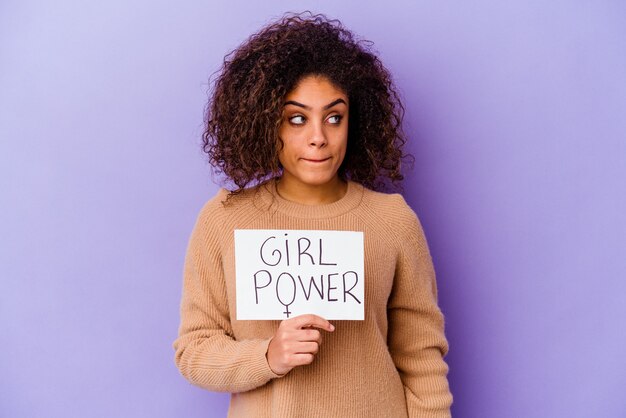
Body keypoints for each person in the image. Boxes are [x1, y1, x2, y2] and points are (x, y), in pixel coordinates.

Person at [172, 11, 453, 418]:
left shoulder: (392, 221)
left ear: (354, 123)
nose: (318, 137)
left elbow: (422, 359)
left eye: (334, 117)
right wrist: (268, 355)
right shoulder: (224, 220)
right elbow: (194, 351)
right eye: (297, 118)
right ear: (268, 124)